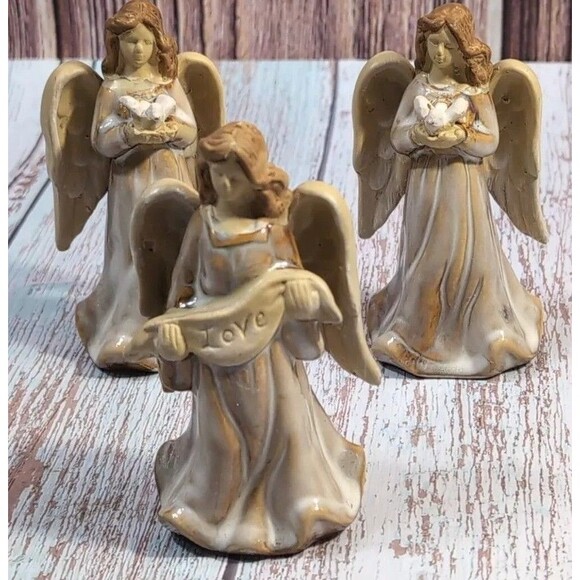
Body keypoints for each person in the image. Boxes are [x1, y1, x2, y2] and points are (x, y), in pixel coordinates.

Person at [151, 122, 366, 554]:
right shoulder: (203, 225)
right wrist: (174, 333)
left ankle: (294, 508)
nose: (225, 185)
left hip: (270, 361)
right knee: (221, 443)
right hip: (217, 362)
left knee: (284, 434)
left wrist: (302, 302)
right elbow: (182, 289)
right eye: (216, 175)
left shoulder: (273, 231)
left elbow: (295, 282)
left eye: (234, 176)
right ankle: (211, 512)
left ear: (256, 176)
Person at [367, 3, 544, 377]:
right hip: (425, 185)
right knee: (425, 258)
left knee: (466, 258)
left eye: (448, 46)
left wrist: (460, 137)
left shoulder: (475, 93)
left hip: (462, 188)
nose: (440, 53)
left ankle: (479, 332)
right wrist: (419, 135)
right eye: (433, 44)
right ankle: (418, 334)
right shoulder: (418, 87)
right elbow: (397, 136)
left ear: (463, 47)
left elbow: (491, 140)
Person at [77, 0, 197, 370]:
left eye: (146, 41)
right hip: (130, 180)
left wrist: (171, 131)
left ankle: (175, 326)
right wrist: (130, 134)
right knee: (133, 249)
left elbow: (192, 133)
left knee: (171, 244)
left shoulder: (168, 84)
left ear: (158, 43)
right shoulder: (113, 89)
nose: (139, 49)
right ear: (117, 44)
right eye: (131, 42)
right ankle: (127, 332)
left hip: (168, 174)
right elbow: (101, 140)